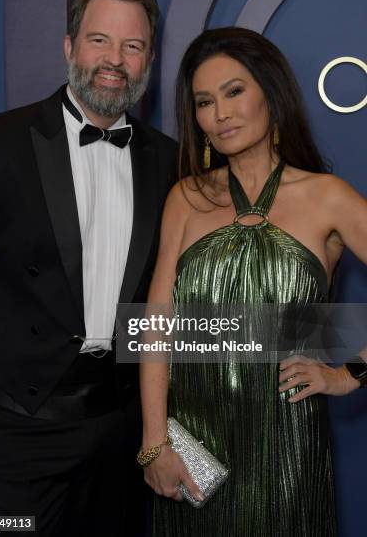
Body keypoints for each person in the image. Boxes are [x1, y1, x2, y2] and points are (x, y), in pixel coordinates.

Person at [0, 0, 177, 536]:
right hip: (10, 437)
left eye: (133, 46)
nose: (115, 59)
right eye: (99, 40)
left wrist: (337, 349)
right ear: (69, 46)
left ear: (149, 59)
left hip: (118, 437)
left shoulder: (169, 162)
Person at [139, 27, 367, 536]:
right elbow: (156, 326)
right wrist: (155, 443)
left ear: (271, 92)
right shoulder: (185, 198)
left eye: (234, 91)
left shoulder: (326, 196)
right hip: (192, 451)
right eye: (204, 101)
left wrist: (348, 374)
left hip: (285, 446)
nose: (219, 114)